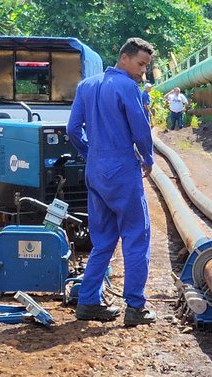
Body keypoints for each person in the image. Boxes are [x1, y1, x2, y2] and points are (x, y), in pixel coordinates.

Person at [66, 37, 157, 326]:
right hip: (121, 169)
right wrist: (148, 158)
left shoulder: (86, 86)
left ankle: (88, 301)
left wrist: (90, 152)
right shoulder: (127, 87)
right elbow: (140, 129)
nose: (142, 71)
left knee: (102, 240)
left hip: (95, 168)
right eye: (141, 64)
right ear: (125, 57)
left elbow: (72, 129)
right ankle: (135, 307)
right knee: (135, 236)